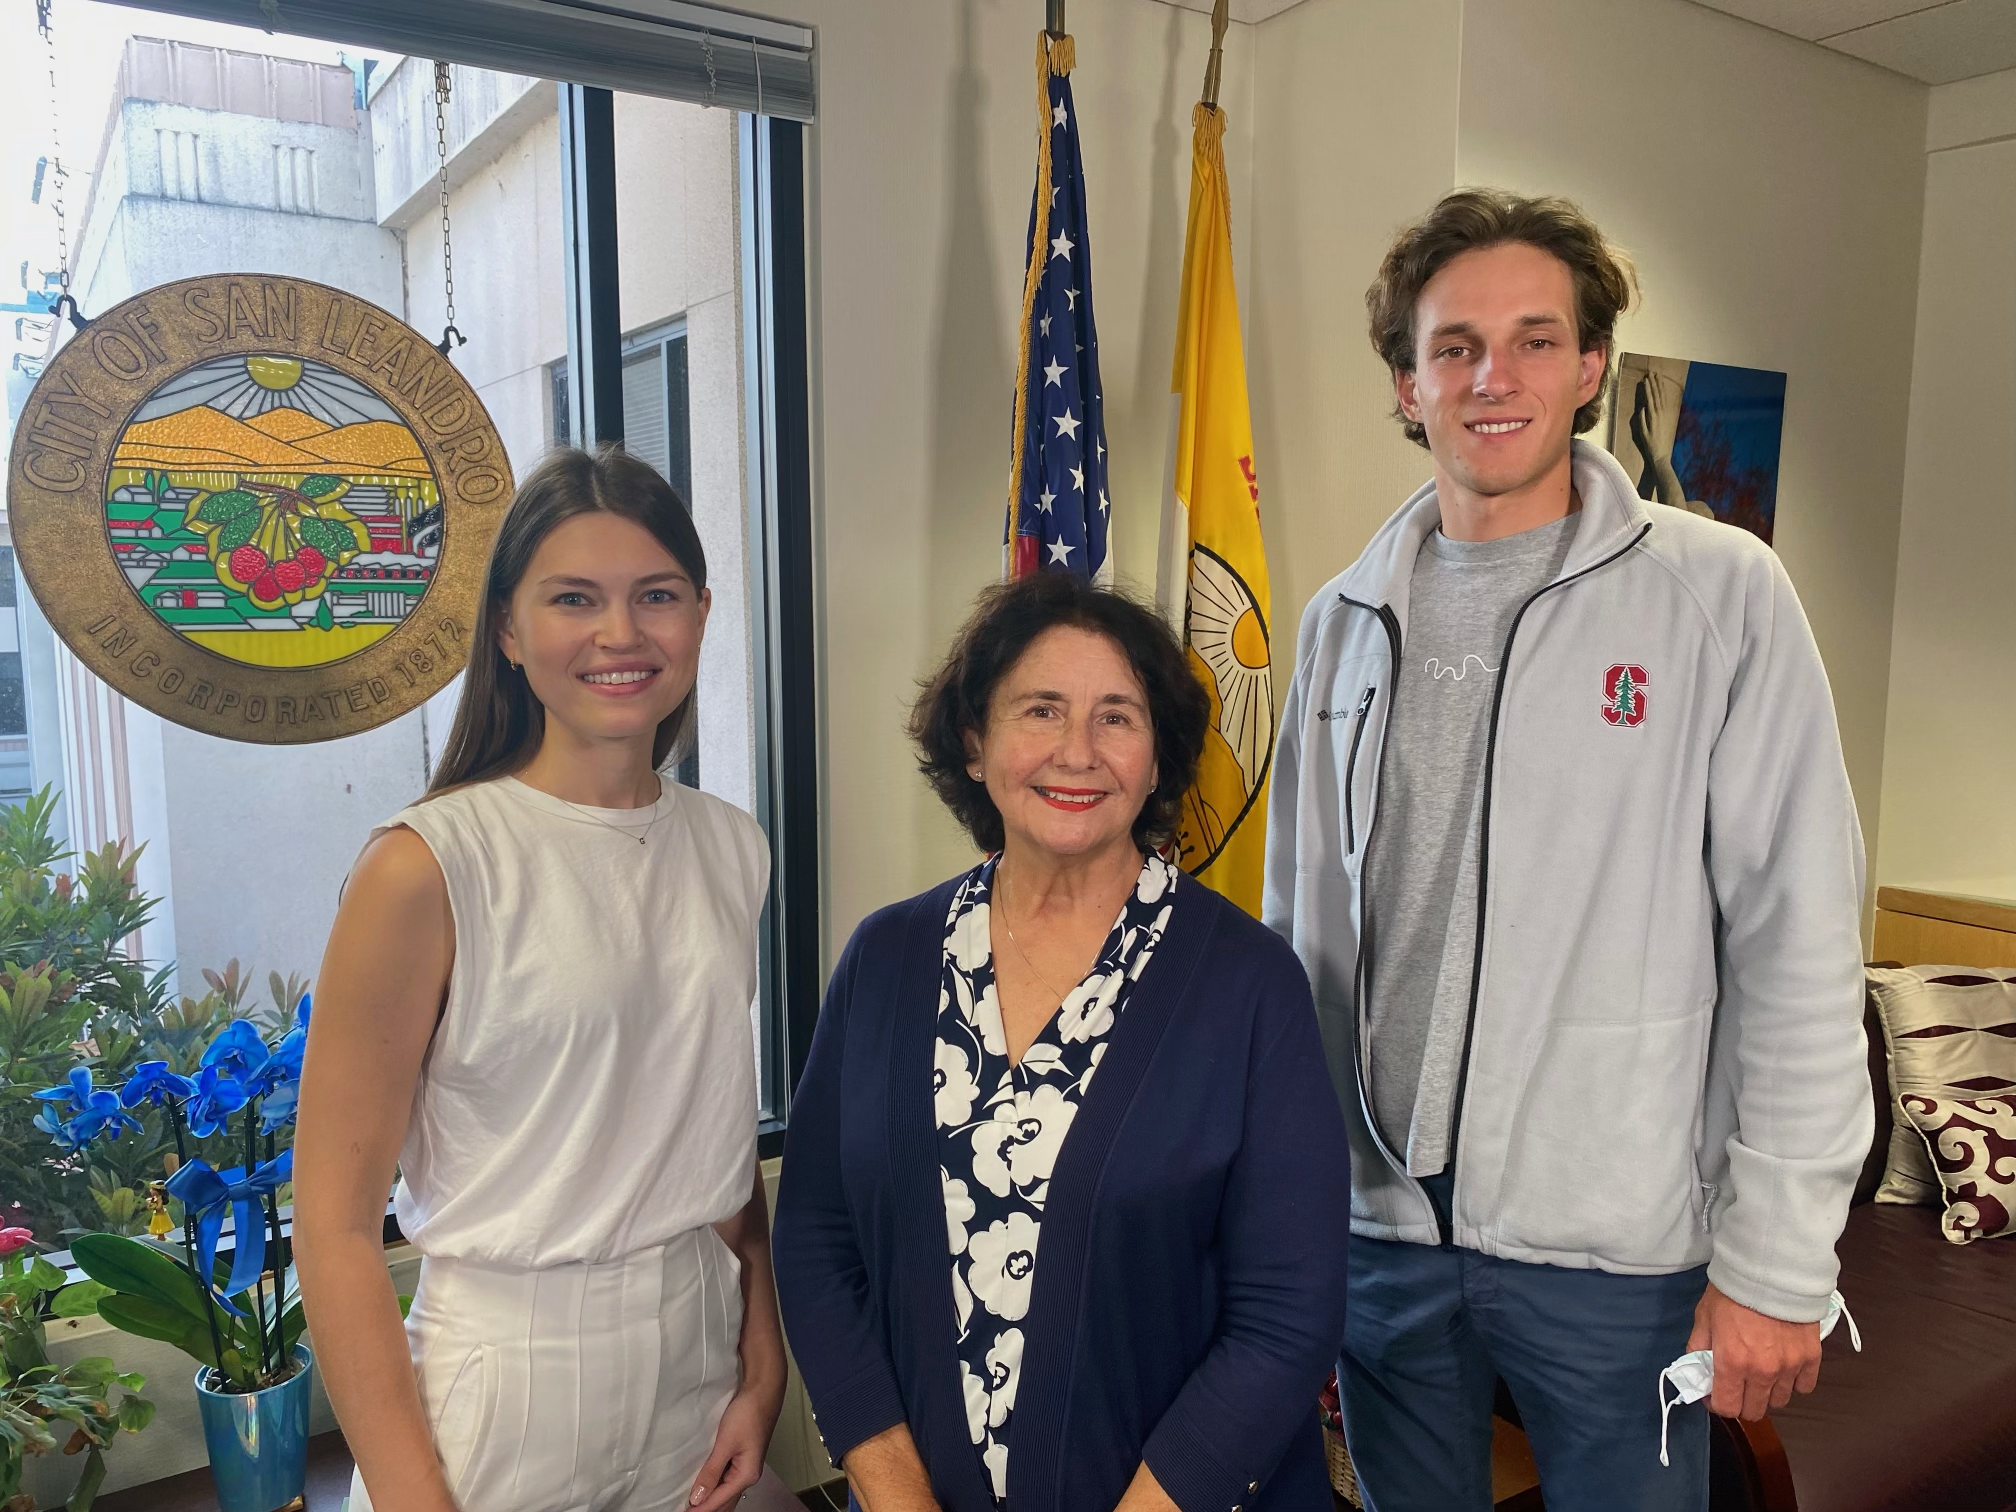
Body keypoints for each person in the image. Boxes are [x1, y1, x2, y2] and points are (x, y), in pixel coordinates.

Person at [1263, 189, 1868, 1512]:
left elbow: (1801, 943)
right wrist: (1290, 1209)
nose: (1495, 376)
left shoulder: (1719, 597)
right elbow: (1301, 933)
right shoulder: (1339, 623)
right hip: (1381, 1234)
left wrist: (1778, 1260)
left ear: (1592, 366)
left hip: (1619, 1256)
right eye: (1456, 345)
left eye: (1536, 340)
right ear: (1407, 382)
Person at [773, 573, 1351, 1512]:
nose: (1076, 752)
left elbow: (1287, 1318)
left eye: (1117, 718)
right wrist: (894, 1493)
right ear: (974, 740)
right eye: (1041, 710)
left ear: (1159, 756)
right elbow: (815, 1239)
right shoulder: (885, 958)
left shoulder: (1250, 985)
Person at [294, 446, 790, 1512]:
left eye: (656, 596)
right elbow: (332, 1227)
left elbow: (710, 1128)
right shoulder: (426, 866)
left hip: (694, 1365)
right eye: (575, 599)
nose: (622, 634)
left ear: (700, 614)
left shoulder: (731, 845)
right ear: (511, 632)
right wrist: (415, 1496)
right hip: (503, 1384)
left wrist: (762, 1364)